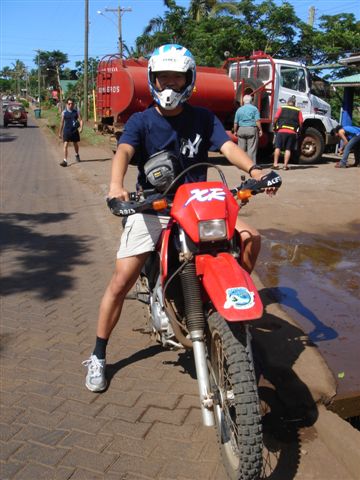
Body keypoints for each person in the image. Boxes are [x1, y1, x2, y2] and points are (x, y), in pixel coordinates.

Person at [82, 44, 275, 392]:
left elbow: (229, 148)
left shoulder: (203, 117)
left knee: (250, 238)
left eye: (177, 77)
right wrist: (115, 187)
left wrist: (257, 171)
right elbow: (124, 150)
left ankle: (220, 310)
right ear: (153, 80)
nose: (169, 85)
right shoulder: (142, 120)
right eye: (163, 78)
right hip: (154, 206)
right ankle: (98, 353)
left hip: (199, 206)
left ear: (189, 80)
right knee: (121, 279)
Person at [272, 95, 303, 170]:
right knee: (288, 149)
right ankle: (285, 166)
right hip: (292, 132)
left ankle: (275, 164)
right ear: (294, 103)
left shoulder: (282, 108)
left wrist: (274, 126)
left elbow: (276, 118)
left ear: (287, 102)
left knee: (277, 147)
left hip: (281, 131)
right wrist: (299, 129)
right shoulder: (298, 110)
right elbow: (301, 122)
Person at [233, 94, 262, 162]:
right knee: (251, 149)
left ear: (243, 101)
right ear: (251, 101)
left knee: (241, 149)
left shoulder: (239, 110)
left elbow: (235, 123)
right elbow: (257, 121)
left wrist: (235, 131)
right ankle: (251, 165)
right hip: (251, 129)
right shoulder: (254, 109)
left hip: (241, 129)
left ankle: (241, 164)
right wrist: (260, 129)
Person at [58, 98, 83, 167]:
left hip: (74, 131)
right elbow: (62, 123)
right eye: (69, 104)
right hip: (66, 131)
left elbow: (81, 120)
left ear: (74, 104)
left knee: (75, 144)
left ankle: (77, 154)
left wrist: (81, 128)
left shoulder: (76, 112)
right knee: (65, 145)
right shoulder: (64, 112)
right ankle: (65, 160)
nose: (70, 105)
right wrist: (60, 132)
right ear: (66, 104)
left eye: (72, 103)